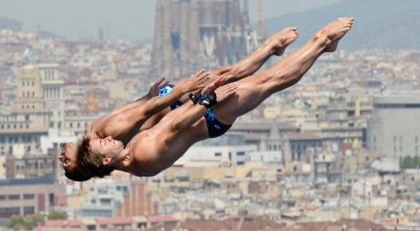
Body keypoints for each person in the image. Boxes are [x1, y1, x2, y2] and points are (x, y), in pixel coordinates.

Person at [74, 17, 354, 179]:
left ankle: (277, 48)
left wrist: (181, 96)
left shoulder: (126, 150)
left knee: (232, 73)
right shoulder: (141, 157)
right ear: (104, 162)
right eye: (102, 145)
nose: (106, 138)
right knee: (269, 81)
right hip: (208, 118)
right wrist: (207, 99)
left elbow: (155, 115)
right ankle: (321, 42)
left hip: (195, 109)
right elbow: (175, 127)